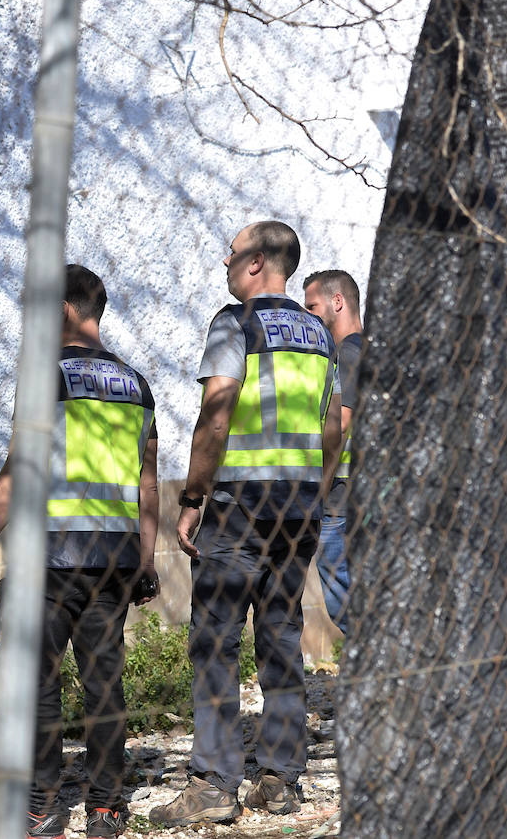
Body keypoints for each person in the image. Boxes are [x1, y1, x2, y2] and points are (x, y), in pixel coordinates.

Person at [150, 221, 341, 827]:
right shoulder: (318, 332)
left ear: (257, 263)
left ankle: (213, 784)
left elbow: (215, 414)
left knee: (215, 641)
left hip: (237, 507)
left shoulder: (236, 323)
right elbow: (335, 423)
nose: (225, 264)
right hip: (298, 508)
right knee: (282, 638)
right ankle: (280, 780)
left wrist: (193, 497)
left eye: (231, 255)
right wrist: (316, 486)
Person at [0, 264, 160, 839]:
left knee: (39, 680)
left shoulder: (44, 376)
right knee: (104, 681)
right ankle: (105, 808)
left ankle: (44, 809)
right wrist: (145, 558)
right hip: (115, 556)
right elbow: (147, 482)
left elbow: (19, 469)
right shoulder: (137, 384)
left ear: (65, 311)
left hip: (49, 557)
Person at [302, 270, 363, 637]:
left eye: (312, 306)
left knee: (345, 605)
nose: (307, 315)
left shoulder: (348, 353)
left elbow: (341, 424)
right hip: (361, 496)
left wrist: (317, 489)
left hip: (339, 499)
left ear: (337, 302)